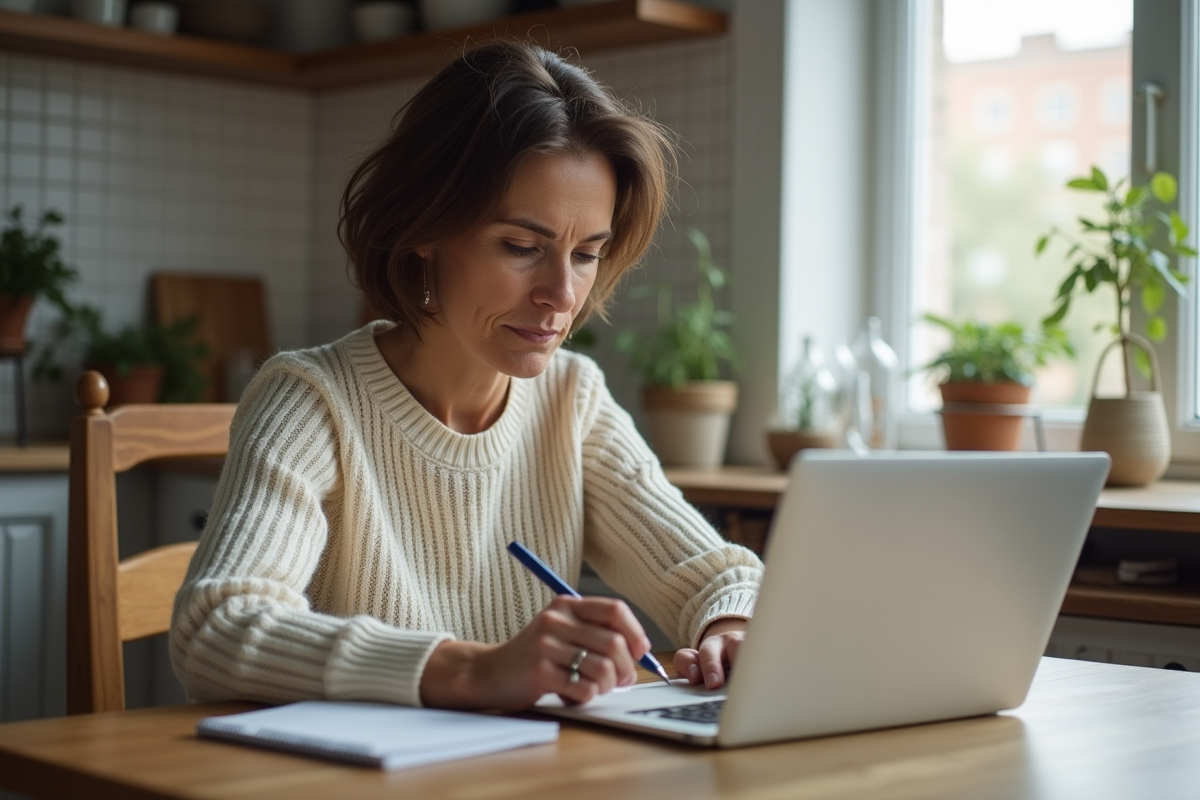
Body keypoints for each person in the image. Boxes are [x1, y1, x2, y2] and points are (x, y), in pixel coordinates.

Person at [170, 39, 763, 712]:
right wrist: (472, 671)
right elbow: (216, 630)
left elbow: (714, 575)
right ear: (424, 225)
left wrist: (729, 626)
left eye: (587, 254)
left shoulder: (572, 398)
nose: (562, 295)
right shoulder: (311, 401)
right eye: (520, 247)